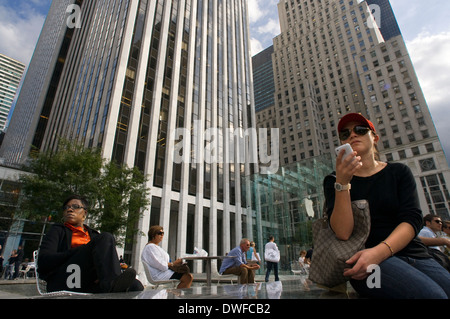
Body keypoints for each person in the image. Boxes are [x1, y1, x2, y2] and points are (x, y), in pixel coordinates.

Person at [324, 112, 450, 298]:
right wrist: (343, 183)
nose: (352, 135)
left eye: (360, 130)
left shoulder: (398, 172)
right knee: (433, 295)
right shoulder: (334, 180)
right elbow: (343, 232)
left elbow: (412, 219)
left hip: (413, 253)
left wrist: (381, 251)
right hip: (364, 261)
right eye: (345, 133)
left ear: (374, 138)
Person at [38, 195, 143, 293]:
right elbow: (43, 260)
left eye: (75, 207)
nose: (69, 209)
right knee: (106, 237)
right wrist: (80, 251)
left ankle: (110, 283)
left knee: (136, 285)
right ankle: (111, 284)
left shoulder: (93, 235)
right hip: (68, 278)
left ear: (85, 213)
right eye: (66, 208)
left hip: (89, 282)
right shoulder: (58, 231)